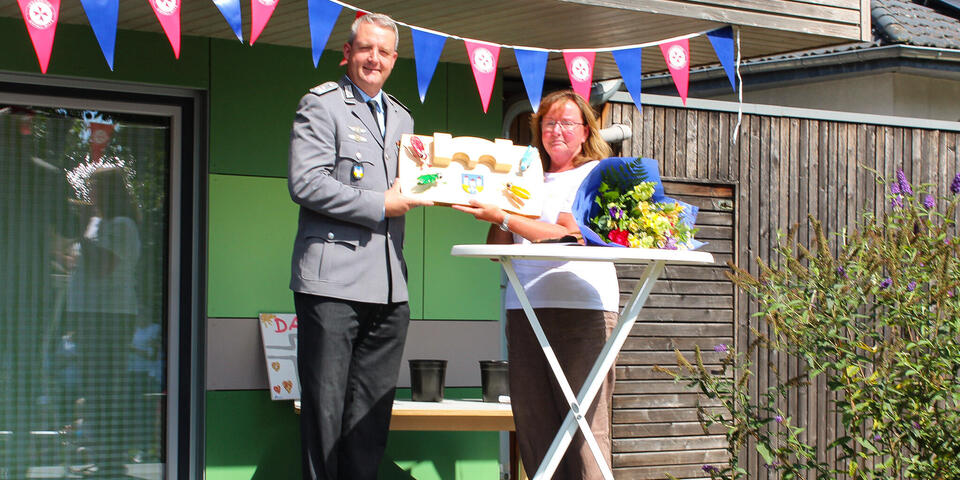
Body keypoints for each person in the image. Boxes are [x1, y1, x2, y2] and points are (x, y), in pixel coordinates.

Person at [287, 13, 431, 480]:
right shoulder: (322, 105)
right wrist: (380, 203)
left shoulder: (404, 117)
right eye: (366, 49)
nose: (374, 59)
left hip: (390, 288)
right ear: (347, 53)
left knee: (370, 420)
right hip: (333, 284)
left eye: (384, 52)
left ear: (393, 60)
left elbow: (410, 186)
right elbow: (305, 183)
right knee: (325, 415)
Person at [452, 90, 620, 479]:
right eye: (548, 123)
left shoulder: (595, 172)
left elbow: (566, 236)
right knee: (534, 423)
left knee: (584, 429)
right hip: (525, 307)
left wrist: (507, 216)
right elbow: (498, 251)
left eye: (566, 123)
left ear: (585, 131)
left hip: (583, 310)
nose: (556, 131)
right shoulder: (526, 176)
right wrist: (499, 207)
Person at [66, 166, 142, 478]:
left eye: (95, 189)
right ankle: (102, 455)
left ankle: (112, 458)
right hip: (92, 315)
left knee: (107, 387)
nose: (89, 195)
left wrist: (82, 231)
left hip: (109, 316)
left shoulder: (122, 226)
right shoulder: (99, 224)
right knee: (94, 387)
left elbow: (103, 267)